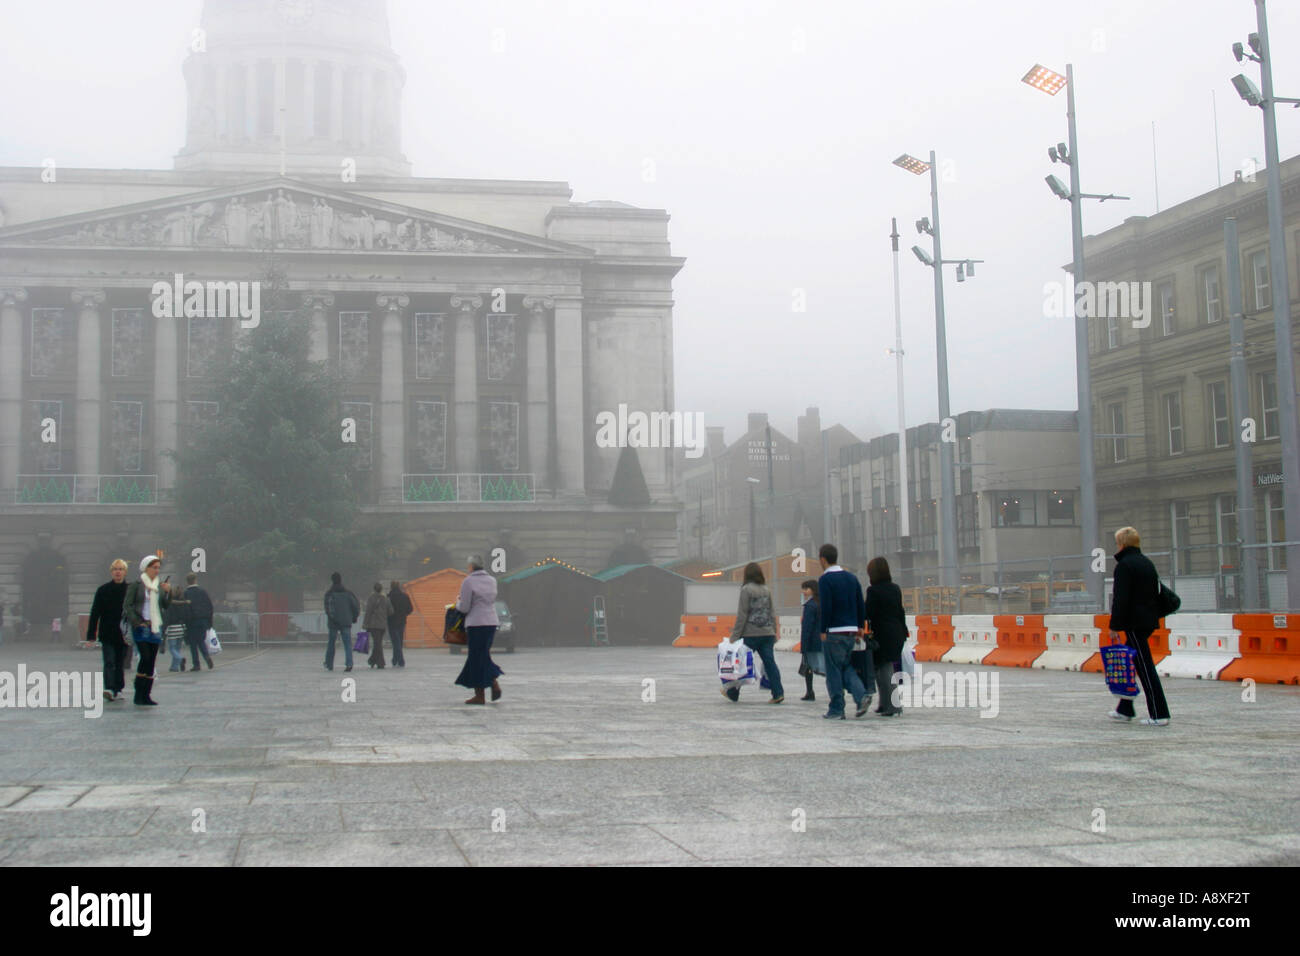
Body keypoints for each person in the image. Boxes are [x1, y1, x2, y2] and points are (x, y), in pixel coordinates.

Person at [1108, 526, 1170, 726]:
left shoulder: (1125, 566)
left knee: (1144, 667)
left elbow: (1121, 599)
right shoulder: (1146, 563)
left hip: (1134, 622)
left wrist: (1114, 625)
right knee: (1134, 663)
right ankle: (1125, 708)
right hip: (1148, 620)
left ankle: (1159, 713)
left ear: (1122, 544)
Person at [817, 544, 870, 719]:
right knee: (846, 666)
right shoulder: (851, 577)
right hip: (851, 631)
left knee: (833, 671)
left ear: (823, 559)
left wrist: (823, 628)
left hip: (834, 631)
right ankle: (861, 695)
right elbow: (859, 602)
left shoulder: (825, 580)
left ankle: (837, 708)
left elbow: (826, 607)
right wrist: (860, 626)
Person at [722, 562, 784, 704]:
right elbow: (771, 612)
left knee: (741, 663)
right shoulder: (766, 589)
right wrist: (774, 631)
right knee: (770, 663)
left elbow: (742, 615)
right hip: (767, 633)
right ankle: (778, 693)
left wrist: (734, 636)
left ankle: (733, 692)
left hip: (751, 634)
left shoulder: (746, 590)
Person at [122, 555, 171, 706]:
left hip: (155, 626)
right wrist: (137, 622)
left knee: (151, 661)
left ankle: (146, 695)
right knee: (145, 657)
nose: (157, 570)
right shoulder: (136, 585)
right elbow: (127, 605)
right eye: (154, 567)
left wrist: (168, 592)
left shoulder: (159, 586)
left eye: (158, 568)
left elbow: (165, 605)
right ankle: (139, 693)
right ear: (146, 568)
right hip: (142, 626)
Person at [454, 555, 502, 704]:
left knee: (476, 657)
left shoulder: (468, 581)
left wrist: (457, 603)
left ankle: (482, 694)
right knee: (482, 655)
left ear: (471, 566)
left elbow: (465, 607)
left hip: (476, 623)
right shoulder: (492, 580)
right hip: (491, 622)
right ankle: (492, 686)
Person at [864, 557, 908, 717]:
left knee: (884, 670)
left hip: (882, 634)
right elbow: (900, 610)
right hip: (896, 632)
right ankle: (884, 704)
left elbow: (868, 612)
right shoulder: (895, 588)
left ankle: (893, 706)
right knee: (883, 668)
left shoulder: (873, 591)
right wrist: (904, 631)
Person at [86, 559, 130, 702]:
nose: (118, 572)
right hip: (107, 632)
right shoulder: (103, 590)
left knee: (120, 663)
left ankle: (119, 688)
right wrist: (91, 635)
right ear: (111, 572)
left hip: (124, 634)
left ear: (125, 572)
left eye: (121, 569)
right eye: (115, 569)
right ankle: (110, 688)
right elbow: (95, 613)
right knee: (109, 661)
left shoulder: (130, 590)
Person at [323, 571, 360, 672]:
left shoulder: (329, 594)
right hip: (346, 621)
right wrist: (354, 617)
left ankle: (329, 663)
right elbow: (355, 606)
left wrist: (333, 618)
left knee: (331, 643)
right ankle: (349, 663)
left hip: (333, 622)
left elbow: (327, 609)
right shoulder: (348, 593)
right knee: (347, 644)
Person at [183, 573, 214, 671]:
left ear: (187, 581)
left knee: (193, 643)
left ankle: (196, 664)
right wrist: (209, 621)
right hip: (203, 620)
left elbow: (185, 608)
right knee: (201, 640)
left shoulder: (186, 593)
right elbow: (210, 606)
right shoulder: (203, 591)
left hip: (192, 621)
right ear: (195, 580)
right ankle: (206, 656)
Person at [798, 579, 823, 701]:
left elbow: (807, 627)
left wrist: (804, 646)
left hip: (812, 642)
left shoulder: (809, 606)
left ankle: (810, 691)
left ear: (813, 590)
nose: (804, 592)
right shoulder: (823, 603)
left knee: (809, 666)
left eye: (806, 589)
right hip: (824, 640)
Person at [363, 582, 392, 669]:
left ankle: (378, 661)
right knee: (377, 643)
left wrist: (365, 623)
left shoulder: (371, 599)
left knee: (377, 643)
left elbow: (368, 612)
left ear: (374, 589)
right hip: (382, 624)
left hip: (374, 624)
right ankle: (375, 660)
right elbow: (391, 611)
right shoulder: (386, 599)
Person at [162, 583, 189, 672]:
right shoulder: (184, 603)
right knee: (177, 648)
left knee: (172, 648)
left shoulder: (170, 603)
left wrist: (164, 628)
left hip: (172, 627)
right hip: (182, 627)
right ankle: (174, 667)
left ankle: (180, 659)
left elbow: (167, 617)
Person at [387, 580, 413, 669]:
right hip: (402, 621)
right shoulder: (405, 596)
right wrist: (404, 613)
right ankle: (395, 659)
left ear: (391, 586)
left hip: (391, 621)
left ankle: (400, 660)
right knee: (399, 641)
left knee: (395, 642)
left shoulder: (389, 597)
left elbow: (386, 610)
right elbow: (410, 609)